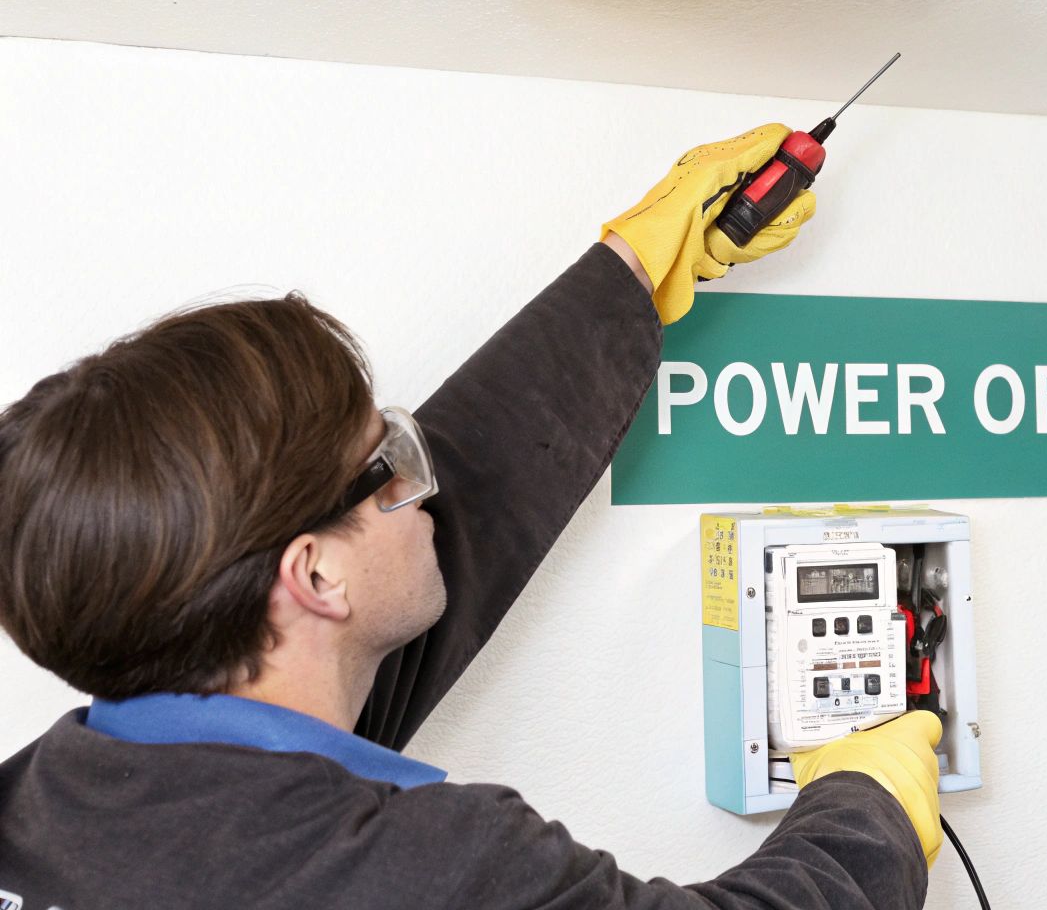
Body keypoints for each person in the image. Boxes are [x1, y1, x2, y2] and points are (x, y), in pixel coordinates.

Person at [0, 125, 943, 909]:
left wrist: (635, 269)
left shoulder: (53, 802)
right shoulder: (424, 873)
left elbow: (474, 503)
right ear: (315, 574)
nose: (428, 490)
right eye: (394, 468)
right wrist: (870, 808)